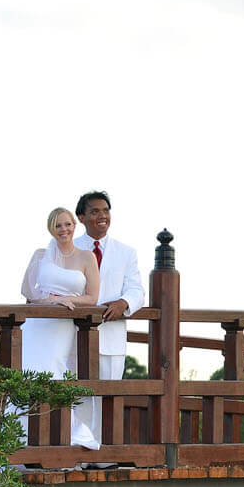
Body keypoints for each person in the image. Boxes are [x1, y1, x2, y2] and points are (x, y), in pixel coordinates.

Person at [18, 207, 102, 450]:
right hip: (38, 325)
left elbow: (92, 297)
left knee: (54, 371)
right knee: (29, 373)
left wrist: (69, 301)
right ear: (51, 229)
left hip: (62, 325)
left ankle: (60, 435)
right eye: (58, 226)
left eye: (67, 224)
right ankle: (22, 438)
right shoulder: (40, 255)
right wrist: (51, 301)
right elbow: (28, 293)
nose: (63, 229)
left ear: (74, 226)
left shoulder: (87, 257)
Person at [72, 190, 146, 447]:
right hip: (75, 335)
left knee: (109, 395)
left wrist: (124, 303)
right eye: (94, 211)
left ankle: (103, 456)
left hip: (112, 336)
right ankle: (77, 452)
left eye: (105, 210)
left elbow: (137, 290)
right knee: (78, 395)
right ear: (81, 217)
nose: (102, 216)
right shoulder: (69, 248)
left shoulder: (126, 252)